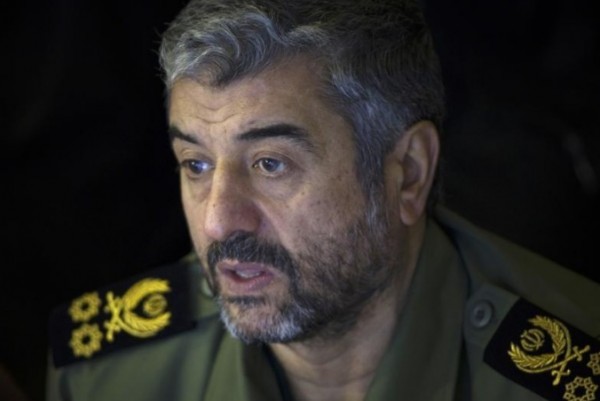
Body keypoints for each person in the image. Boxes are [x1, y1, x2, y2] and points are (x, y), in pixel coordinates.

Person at [45, 0, 600, 400]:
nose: (217, 221)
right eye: (197, 164)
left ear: (408, 173)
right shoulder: (107, 371)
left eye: (271, 164)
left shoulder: (571, 373)